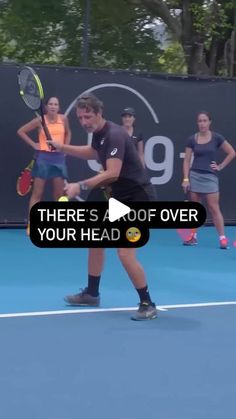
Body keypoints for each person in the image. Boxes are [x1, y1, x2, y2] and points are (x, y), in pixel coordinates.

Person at [48, 93, 157, 321]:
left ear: (99, 113)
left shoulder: (115, 134)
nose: (84, 122)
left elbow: (112, 173)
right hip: (117, 194)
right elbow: (93, 152)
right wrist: (61, 147)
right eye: (80, 118)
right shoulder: (99, 134)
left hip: (137, 197)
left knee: (125, 253)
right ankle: (92, 293)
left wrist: (80, 184)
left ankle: (147, 303)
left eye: (88, 116)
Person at [182, 111, 235, 249]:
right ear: (197, 123)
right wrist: (186, 178)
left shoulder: (217, 137)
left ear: (209, 122)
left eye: (205, 121)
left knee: (214, 208)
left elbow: (232, 152)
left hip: (210, 177)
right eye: (200, 121)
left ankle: (222, 238)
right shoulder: (191, 139)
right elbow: (187, 160)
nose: (202, 124)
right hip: (194, 176)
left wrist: (220, 166)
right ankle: (193, 237)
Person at [17, 97, 71, 232]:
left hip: (58, 159)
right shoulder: (39, 121)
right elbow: (21, 131)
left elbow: (69, 133)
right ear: (46, 107)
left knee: (59, 195)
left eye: (56, 104)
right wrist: (34, 144)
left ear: (59, 107)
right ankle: (31, 224)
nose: (53, 106)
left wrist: (65, 147)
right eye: (51, 104)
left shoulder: (63, 119)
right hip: (43, 159)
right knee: (37, 194)